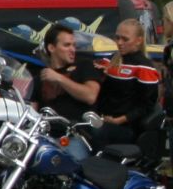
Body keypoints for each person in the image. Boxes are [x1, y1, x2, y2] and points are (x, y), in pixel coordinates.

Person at [90, 19, 160, 150]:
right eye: (117, 38)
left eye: (125, 39)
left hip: (127, 128)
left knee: (97, 133)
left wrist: (120, 120)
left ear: (139, 41)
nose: (119, 43)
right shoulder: (111, 60)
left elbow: (147, 106)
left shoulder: (144, 68)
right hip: (102, 120)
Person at [33, 22, 102, 121]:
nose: (72, 49)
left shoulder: (84, 65)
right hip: (49, 132)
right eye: (67, 45)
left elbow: (91, 96)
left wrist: (59, 78)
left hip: (78, 131)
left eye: (74, 45)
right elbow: (32, 111)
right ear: (51, 48)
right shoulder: (40, 77)